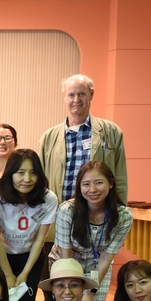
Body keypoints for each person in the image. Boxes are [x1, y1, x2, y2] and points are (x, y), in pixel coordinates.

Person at [0, 148, 58, 301]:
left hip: (29, 254)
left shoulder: (48, 198)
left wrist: (24, 274)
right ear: (10, 174)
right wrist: (8, 274)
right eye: (20, 172)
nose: (27, 179)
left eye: (33, 173)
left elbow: (40, 240)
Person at [50, 161, 133, 301]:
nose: (92, 189)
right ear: (79, 187)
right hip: (66, 263)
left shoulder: (124, 216)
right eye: (86, 184)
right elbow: (65, 257)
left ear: (110, 184)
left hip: (98, 267)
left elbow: (105, 258)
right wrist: (73, 289)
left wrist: (91, 292)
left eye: (99, 183)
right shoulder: (67, 211)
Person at [38, 74, 128, 204]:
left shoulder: (112, 132)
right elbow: (39, 181)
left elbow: (120, 178)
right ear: (64, 97)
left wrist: (120, 212)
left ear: (91, 94)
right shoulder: (48, 138)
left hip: (98, 215)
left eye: (81, 94)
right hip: (58, 215)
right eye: (71, 95)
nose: (76, 100)